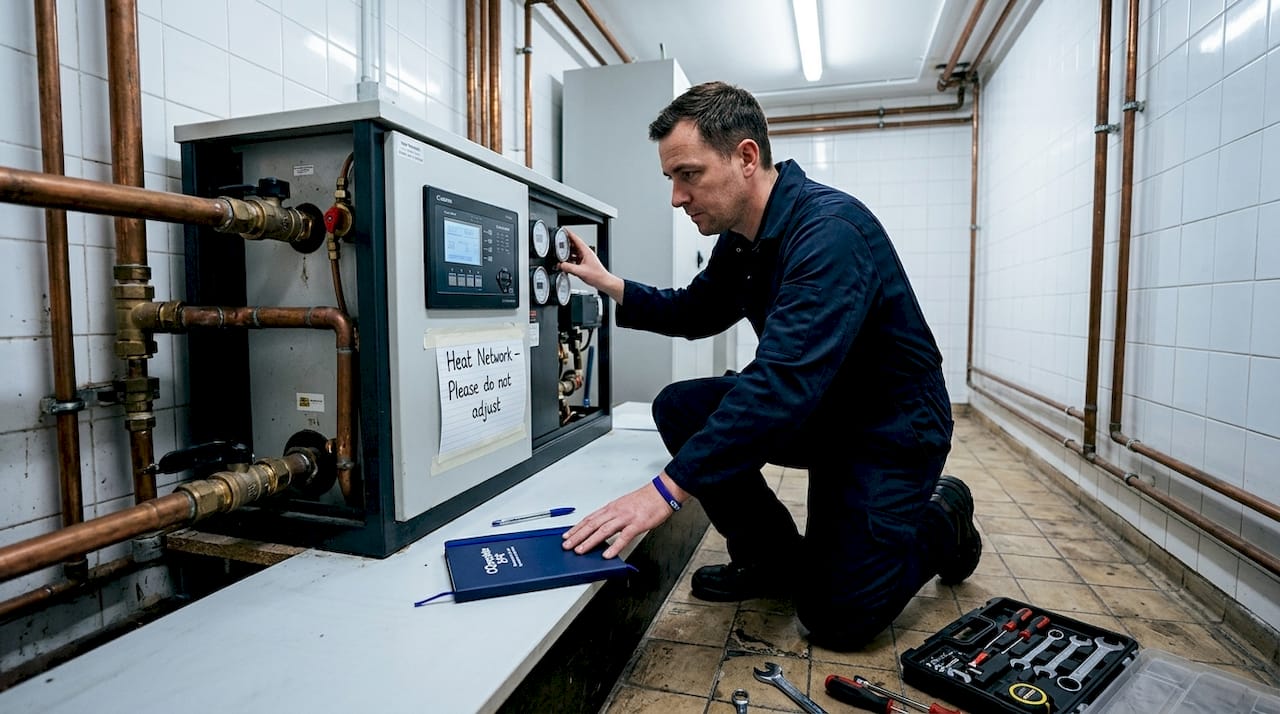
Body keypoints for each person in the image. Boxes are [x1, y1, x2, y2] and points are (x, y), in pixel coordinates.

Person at [559, 80, 980, 650]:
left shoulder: (828, 233)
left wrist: (663, 492)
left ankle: (944, 514)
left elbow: (781, 383)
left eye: (689, 174)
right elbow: (697, 309)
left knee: (838, 618)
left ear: (746, 158)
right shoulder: (743, 238)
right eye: (671, 179)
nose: (677, 198)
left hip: (889, 426)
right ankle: (771, 559)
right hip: (822, 407)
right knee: (682, 406)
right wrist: (610, 284)